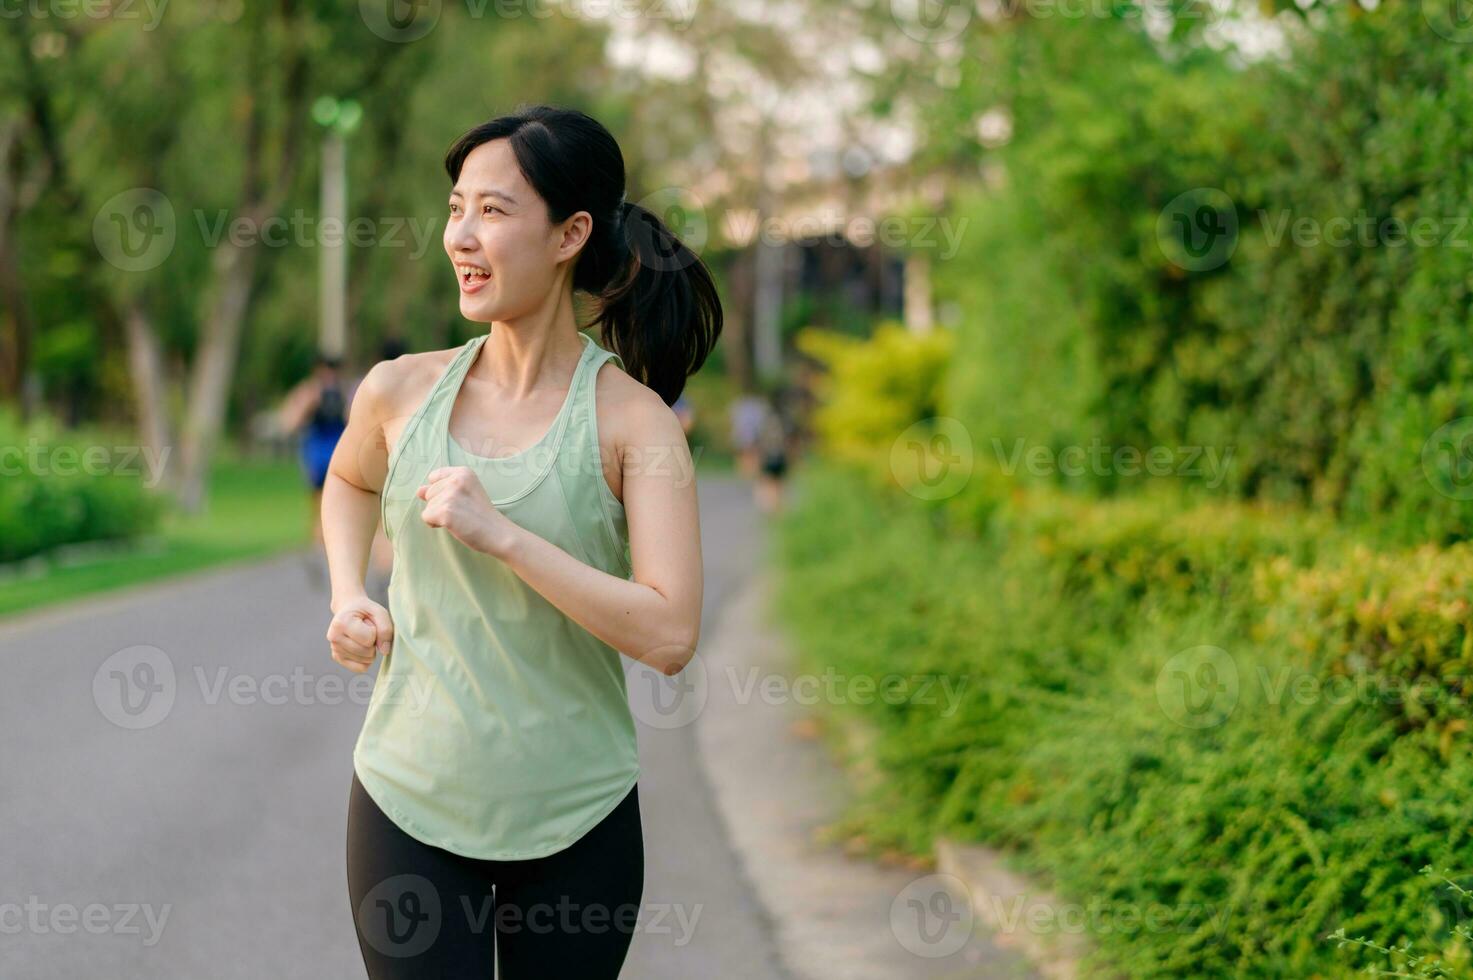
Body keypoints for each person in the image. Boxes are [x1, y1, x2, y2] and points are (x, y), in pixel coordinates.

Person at [319, 105, 722, 978]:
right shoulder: (398, 391)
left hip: (577, 816)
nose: (462, 236)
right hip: (408, 799)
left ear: (571, 232)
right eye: (456, 208)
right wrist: (349, 591)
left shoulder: (635, 425)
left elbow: (668, 634)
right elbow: (349, 482)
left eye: (494, 212)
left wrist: (503, 536)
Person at [278, 352, 354, 551]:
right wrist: (308, 404)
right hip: (317, 454)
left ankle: (336, 546)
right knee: (319, 506)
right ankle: (320, 549)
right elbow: (288, 424)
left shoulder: (346, 393)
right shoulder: (308, 392)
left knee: (341, 503)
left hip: (339, 452)